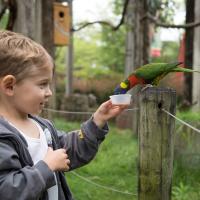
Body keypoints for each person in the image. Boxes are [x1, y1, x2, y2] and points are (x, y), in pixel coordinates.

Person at [0, 30, 128, 200]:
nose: (49, 93)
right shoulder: (3, 137)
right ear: (10, 86)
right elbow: (7, 191)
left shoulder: (42, 127)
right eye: (42, 85)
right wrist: (46, 167)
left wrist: (97, 121)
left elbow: (68, 151)